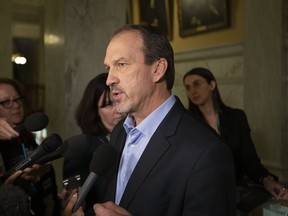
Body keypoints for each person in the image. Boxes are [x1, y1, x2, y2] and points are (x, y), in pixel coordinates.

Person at [65, 24, 237, 216]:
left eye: (121, 65)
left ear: (158, 69)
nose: (109, 79)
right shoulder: (121, 129)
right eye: (108, 68)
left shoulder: (207, 152)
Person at [182, 67, 288, 210]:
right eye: (188, 88)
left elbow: (249, 159)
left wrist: (267, 181)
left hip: (235, 191)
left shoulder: (236, 117)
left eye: (197, 84)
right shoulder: (188, 123)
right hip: (201, 195)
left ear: (212, 85)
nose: (192, 91)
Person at [62, 73, 123, 215]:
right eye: (108, 105)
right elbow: (73, 201)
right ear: (95, 112)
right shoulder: (80, 149)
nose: (118, 110)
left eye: (119, 100)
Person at [0, 77, 61, 216]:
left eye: (17, 99)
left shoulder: (26, 135)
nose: (15, 105)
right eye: (5, 102)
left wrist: (42, 172)